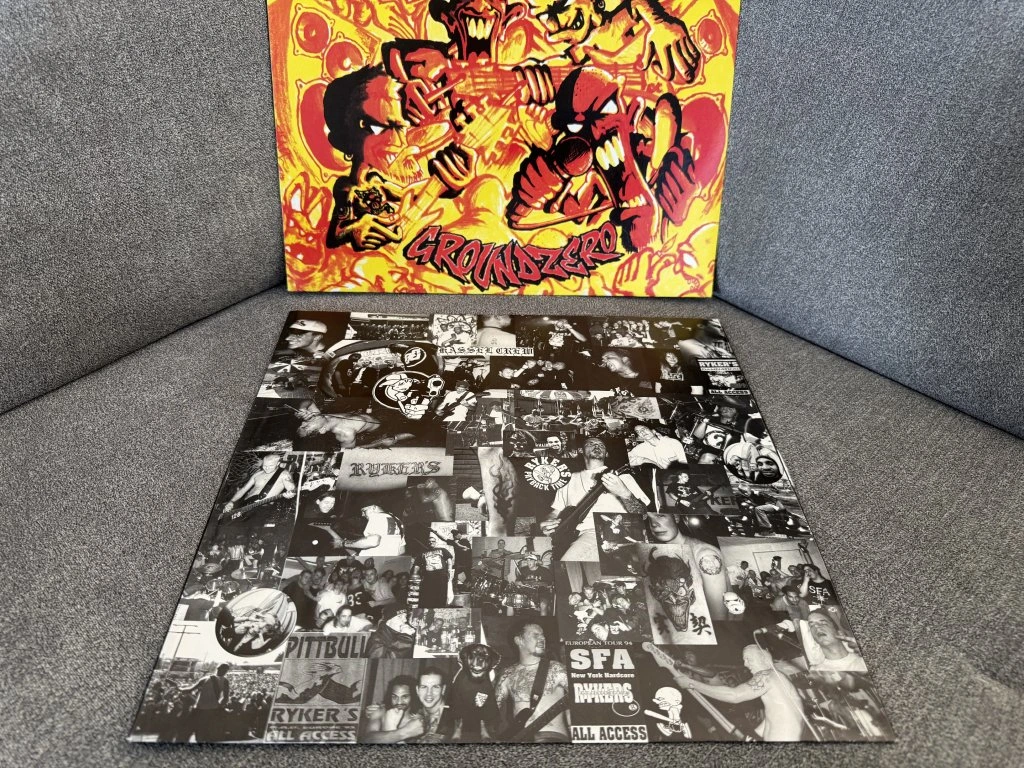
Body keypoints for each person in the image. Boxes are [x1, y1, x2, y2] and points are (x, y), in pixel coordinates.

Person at [650, 644, 806, 741]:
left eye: (749, 659)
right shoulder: (776, 679)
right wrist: (755, 734)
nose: (746, 664)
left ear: (764, 658)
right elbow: (778, 713)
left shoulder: (767, 675)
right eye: (744, 660)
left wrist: (691, 684)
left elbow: (734, 695)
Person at [538, 437, 650, 561]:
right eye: (591, 443)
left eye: (601, 445)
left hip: (616, 532)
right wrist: (547, 522)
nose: (597, 446)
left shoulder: (623, 477)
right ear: (581, 451)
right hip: (580, 535)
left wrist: (625, 493)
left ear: (606, 454)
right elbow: (555, 512)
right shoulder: (569, 479)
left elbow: (643, 515)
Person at [643, 509, 730, 620]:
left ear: (676, 517)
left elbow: (719, 615)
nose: (654, 524)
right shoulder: (663, 554)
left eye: (660, 516)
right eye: (648, 518)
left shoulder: (705, 554)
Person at [494, 621, 570, 742]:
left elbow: (580, 701)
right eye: (536, 635)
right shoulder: (507, 674)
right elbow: (492, 711)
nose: (542, 638)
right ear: (519, 641)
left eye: (543, 635)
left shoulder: (556, 669)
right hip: (521, 739)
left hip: (552, 738)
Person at [450, 643, 501, 741]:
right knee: (457, 703)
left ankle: (484, 729)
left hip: (480, 713)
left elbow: (488, 707)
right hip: (462, 711)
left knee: (485, 703)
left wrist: (485, 729)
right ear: (466, 657)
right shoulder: (459, 682)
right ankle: (457, 730)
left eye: (486, 655)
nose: (480, 657)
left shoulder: (486, 685)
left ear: (490, 661)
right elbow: (456, 705)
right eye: (474, 653)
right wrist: (457, 730)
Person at [221, 454, 296, 517]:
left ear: (278, 463)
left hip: (262, 509)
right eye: (265, 465)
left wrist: (290, 493)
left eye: (271, 466)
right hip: (244, 505)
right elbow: (243, 489)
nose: (267, 468)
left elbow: (292, 489)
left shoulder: (284, 474)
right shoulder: (258, 474)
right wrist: (232, 501)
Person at [175, 664, 231, 742]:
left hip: (198, 709)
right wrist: (219, 706)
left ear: (217, 668)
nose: (224, 672)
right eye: (225, 670)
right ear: (225, 671)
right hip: (210, 710)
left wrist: (179, 688)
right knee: (202, 733)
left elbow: (189, 690)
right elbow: (225, 698)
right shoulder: (225, 681)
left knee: (188, 731)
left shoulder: (205, 679)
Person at [362, 675, 418, 743]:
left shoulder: (417, 720)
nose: (399, 702)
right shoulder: (381, 712)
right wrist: (403, 732)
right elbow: (367, 739)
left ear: (413, 696)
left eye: (404, 697)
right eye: (394, 697)